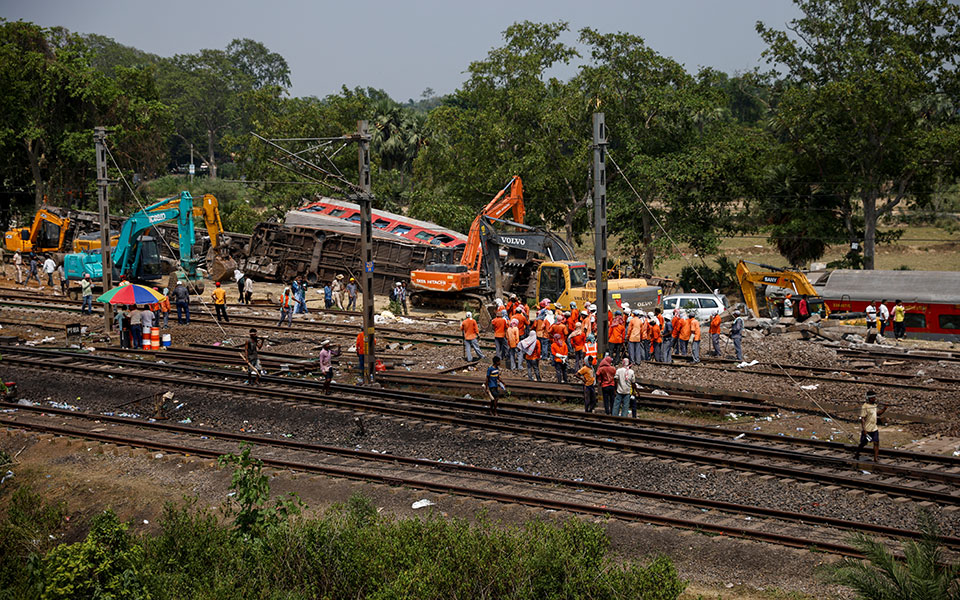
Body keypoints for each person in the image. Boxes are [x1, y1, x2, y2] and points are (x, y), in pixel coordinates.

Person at [854, 391, 887, 462]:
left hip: (874, 428)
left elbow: (877, 414)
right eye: (873, 398)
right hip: (867, 429)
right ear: (869, 398)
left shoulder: (874, 405)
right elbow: (862, 418)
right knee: (863, 443)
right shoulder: (865, 406)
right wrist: (864, 430)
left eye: (875, 397)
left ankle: (875, 458)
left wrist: (884, 409)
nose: (875, 399)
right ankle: (857, 454)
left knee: (876, 442)